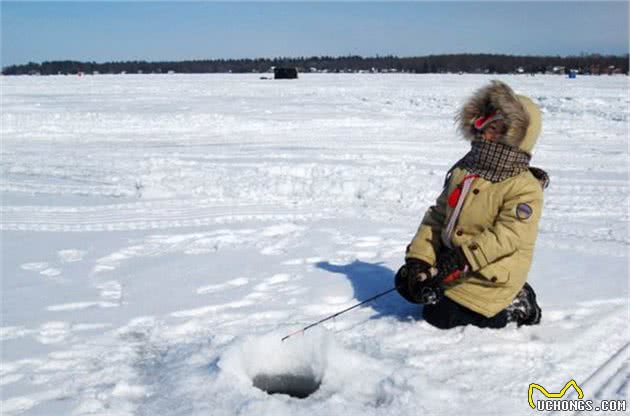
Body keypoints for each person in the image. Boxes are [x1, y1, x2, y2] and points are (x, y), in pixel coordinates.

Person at [395, 80, 549, 329]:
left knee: (440, 316)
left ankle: (518, 303)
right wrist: (419, 260)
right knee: (409, 286)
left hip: (490, 275)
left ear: (517, 136)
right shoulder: (465, 170)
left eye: (496, 128)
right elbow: (437, 216)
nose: (485, 132)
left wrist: (460, 259)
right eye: (483, 123)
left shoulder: (524, 188)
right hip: (454, 267)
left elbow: (507, 236)